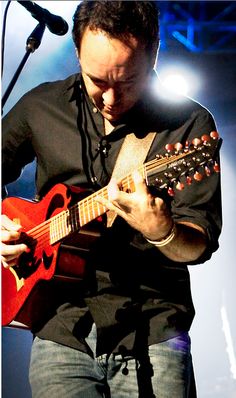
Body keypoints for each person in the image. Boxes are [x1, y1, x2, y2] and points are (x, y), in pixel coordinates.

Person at [1, 1, 222, 397]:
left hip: (153, 331)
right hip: (60, 328)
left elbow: (200, 243)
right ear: (77, 53)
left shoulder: (188, 125)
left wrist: (164, 231)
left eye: (128, 82)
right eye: (97, 80)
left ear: (154, 53)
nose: (110, 98)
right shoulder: (42, 106)